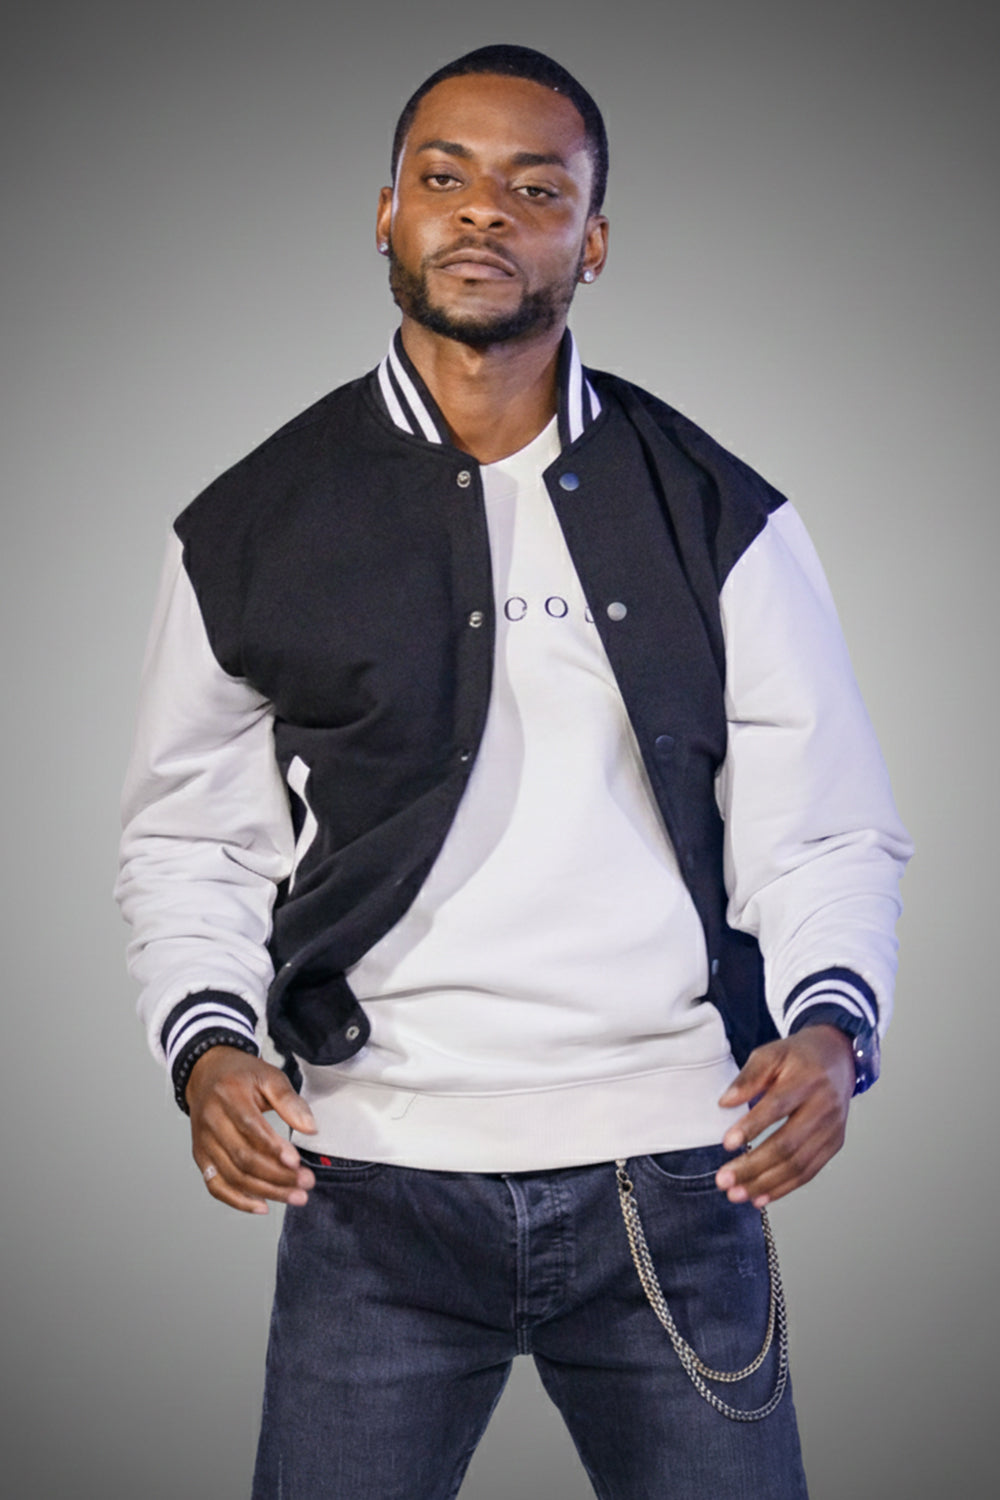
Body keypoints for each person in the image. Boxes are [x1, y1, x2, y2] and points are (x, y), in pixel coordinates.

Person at [116, 43, 912, 1500]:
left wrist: (829, 1026)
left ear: (592, 241)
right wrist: (208, 1045)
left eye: (537, 190)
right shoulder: (249, 525)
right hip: (372, 1180)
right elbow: (191, 842)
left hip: (675, 1169)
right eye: (445, 178)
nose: (484, 211)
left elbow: (824, 824)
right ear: (387, 214)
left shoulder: (715, 508)